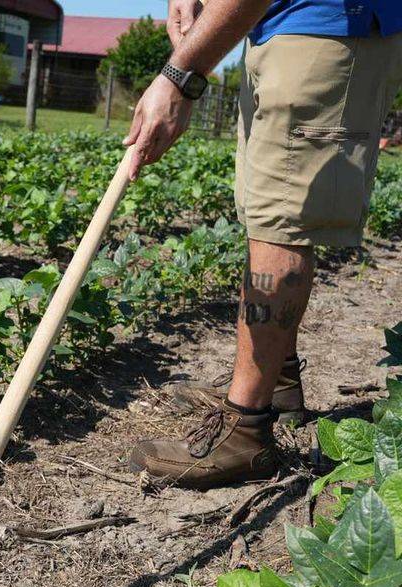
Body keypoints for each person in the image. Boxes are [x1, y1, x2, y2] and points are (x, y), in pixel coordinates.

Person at [125, 0, 402, 490]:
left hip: (328, 30)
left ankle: (246, 431)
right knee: (263, 209)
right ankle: (276, 383)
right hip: (275, 26)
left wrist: (181, 74)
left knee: (282, 221)